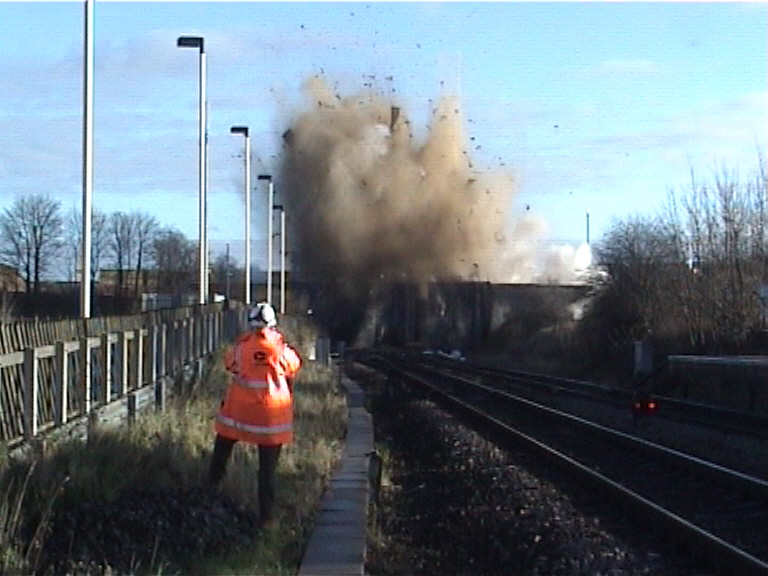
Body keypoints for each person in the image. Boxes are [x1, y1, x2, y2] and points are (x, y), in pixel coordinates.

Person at [208, 302, 302, 527]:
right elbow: (294, 365)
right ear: (273, 325)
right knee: (267, 470)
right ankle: (267, 519)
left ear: (250, 324)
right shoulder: (280, 349)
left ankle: (209, 494)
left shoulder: (241, 348)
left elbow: (229, 364)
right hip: (271, 419)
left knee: (222, 449)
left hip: (240, 415)